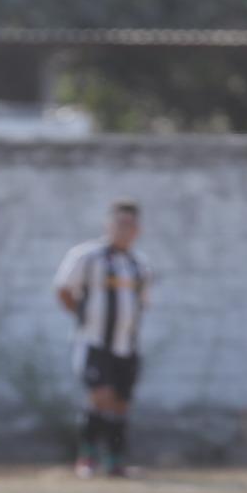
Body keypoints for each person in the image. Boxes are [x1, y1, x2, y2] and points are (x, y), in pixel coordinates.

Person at [54, 199, 152, 478]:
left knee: (121, 402)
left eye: (130, 224)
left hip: (127, 346)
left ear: (137, 230)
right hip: (94, 342)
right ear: (108, 225)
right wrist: (85, 316)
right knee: (100, 397)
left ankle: (116, 461)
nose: (124, 229)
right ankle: (87, 458)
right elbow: (63, 290)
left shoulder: (139, 265)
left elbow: (142, 303)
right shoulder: (87, 256)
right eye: (119, 223)